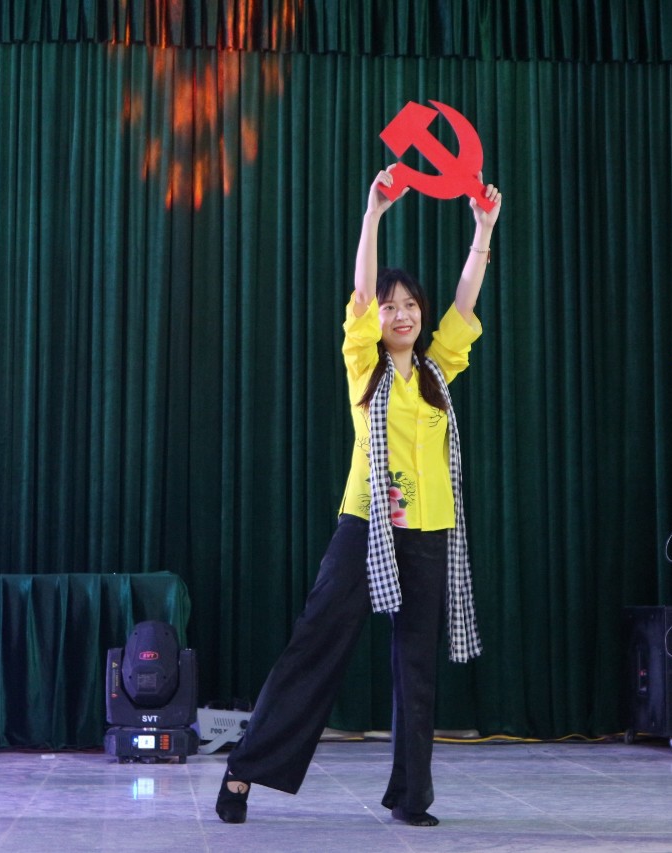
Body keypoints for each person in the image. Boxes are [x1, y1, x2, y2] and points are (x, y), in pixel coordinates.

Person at [215, 167, 501, 826]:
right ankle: (243, 770)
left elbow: (465, 303)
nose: (401, 314)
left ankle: (411, 797)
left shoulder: (435, 373)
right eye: (392, 306)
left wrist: (483, 229)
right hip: (367, 523)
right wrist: (373, 215)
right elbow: (362, 294)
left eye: (411, 305)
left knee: (417, 667)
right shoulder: (364, 365)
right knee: (315, 646)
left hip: (429, 529)